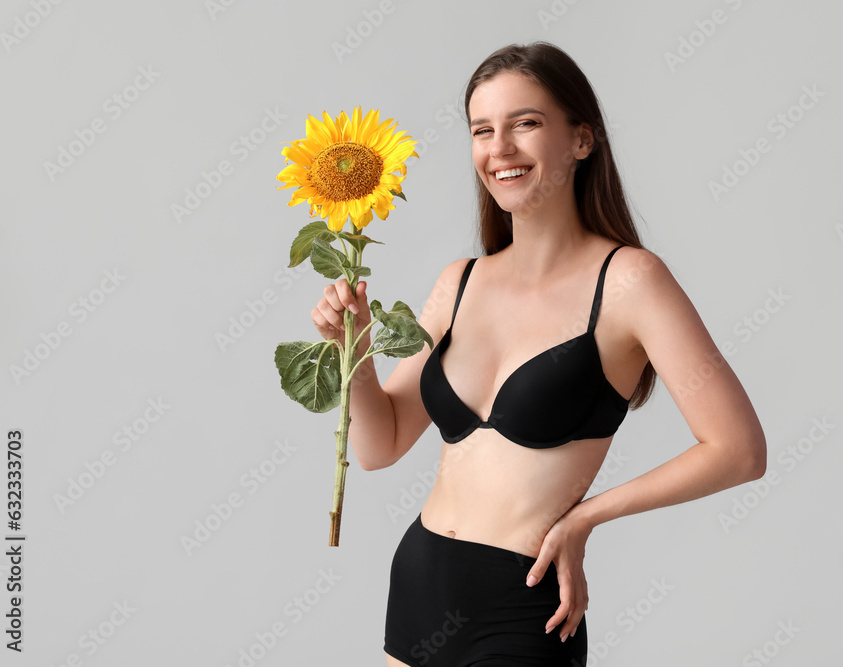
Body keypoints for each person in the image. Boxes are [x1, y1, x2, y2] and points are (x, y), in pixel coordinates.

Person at [311, 41, 767, 667]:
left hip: (523, 605)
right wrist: (354, 350)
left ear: (582, 140)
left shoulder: (630, 282)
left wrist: (584, 519)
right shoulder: (459, 282)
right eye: (481, 130)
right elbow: (379, 445)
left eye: (524, 123)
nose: (498, 148)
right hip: (420, 581)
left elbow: (739, 450)